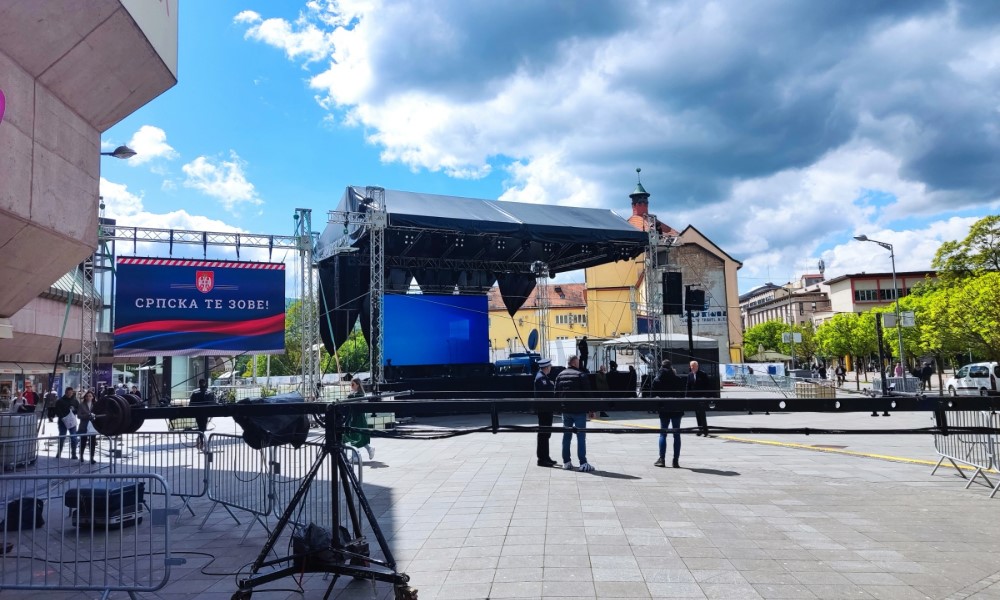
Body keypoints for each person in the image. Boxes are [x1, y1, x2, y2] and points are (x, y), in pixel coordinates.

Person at [555, 355, 594, 472]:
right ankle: (583, 463)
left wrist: (559, 407)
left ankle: (566, 462)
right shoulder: (581, 375)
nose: (579, 363)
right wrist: (591, 410)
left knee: (566, 436)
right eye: (578, 362)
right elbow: (588, 394)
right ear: (574, 363)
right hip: (579, 410)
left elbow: (556, 393)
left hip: (565, 410)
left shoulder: (560, 375)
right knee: (581, 436)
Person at [652, 359, 683, 468]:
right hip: (676, 409)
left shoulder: (657, 380)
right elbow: (683, 395)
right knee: (677, 434)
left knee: (663, 434)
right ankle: (675, 460)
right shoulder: (678, 379)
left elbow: (653, 395)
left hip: (664, 409)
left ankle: (662, 459)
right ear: (671, 367)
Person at [344, 377, 375, 461]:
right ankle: (368, 449)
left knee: (356, 435)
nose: (351, 386)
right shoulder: (355, 393)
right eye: (351, 384)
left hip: (358, 417)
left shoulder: (359, 394)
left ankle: (355, 456)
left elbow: (353, 399)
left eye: (353, 384)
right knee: (355, 435)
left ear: (357, 385)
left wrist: (349, 397)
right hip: (354, 417)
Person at [533, 358, 557, 467]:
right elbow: (547, 393)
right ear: (546, 367)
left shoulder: (543, 377)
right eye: (550, 366)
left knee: (546, 434)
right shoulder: (541, 378)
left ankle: (546, 457)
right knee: (544, 434)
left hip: (546, 409)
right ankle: (542, 459)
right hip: (544, 410)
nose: (551, 368)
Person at [189, 379, 216, 450]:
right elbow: (213, 403)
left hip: (197, 412)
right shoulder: (210, 392)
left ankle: (201, 439)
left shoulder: (195, 392)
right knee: (203, 426)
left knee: (201, 425)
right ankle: (201, 440)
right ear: (205, 383)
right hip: (206, 412)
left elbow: (191, 404)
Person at [54, 387, 79, 459]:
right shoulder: (60, 401)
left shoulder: (75, 401)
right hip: (62, 422)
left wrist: (74, 410)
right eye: (68, 393)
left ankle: (73, 454)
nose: (69, 394)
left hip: (72, 422)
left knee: (74, 437)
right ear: (65, 392)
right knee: (62, 437)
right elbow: (57, 411)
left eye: (71, 393)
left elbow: (78, 410)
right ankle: (59, 453)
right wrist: (63, 418)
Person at [77, 390, 98, 464]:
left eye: (90, 396)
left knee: (92, 442)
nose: (88, 397)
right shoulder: (81, 405)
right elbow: (79, 415)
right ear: (85, 397)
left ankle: (92, 457)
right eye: (87, 396)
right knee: (83, 441)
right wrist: (87, 415)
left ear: (93, 397)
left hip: (93, 425)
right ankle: (81, 456)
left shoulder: (96, 405)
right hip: (84, 425)